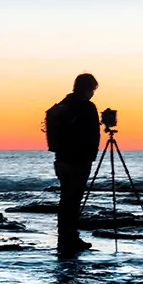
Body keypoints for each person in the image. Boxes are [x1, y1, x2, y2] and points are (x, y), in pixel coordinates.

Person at [47, 73, 101, 256]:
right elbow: (92, 135)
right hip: (79, 159)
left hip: (61, 159)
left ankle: (65, 238)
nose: (93, 93)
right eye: (93, 89)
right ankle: (70, 239)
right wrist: (92, 155)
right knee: (74, 199)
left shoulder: (64, 104)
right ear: (89, 88)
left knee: (66, 199)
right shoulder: (86, 107)